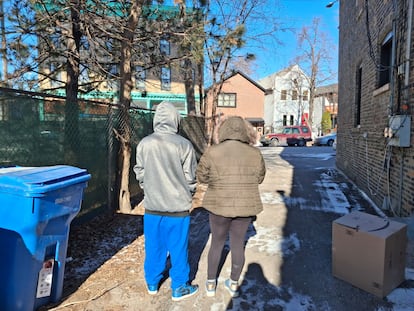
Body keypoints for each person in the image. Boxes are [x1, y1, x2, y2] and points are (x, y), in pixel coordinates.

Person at [134, 101, 199, 301]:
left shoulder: (145, 143)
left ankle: (152, 282)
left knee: (154, 245)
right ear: (175, 120)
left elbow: (140, 171)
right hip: (178, 208)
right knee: (178, 248)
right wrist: (188, 193)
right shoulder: (184, 144)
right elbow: (191, 177)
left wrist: (149, 189)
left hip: (153, 207)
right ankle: (179, 287)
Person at [196, 116, 266, 298]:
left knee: (217, 243)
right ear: (244, 131)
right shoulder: (254, 153)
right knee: (237, 244)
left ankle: (211, 284)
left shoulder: (213, 151)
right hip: (245, 207)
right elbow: (260, 178)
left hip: (218, 205)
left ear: (224, 130)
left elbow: (202, 177)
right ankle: (234, 283)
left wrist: (218, 180)